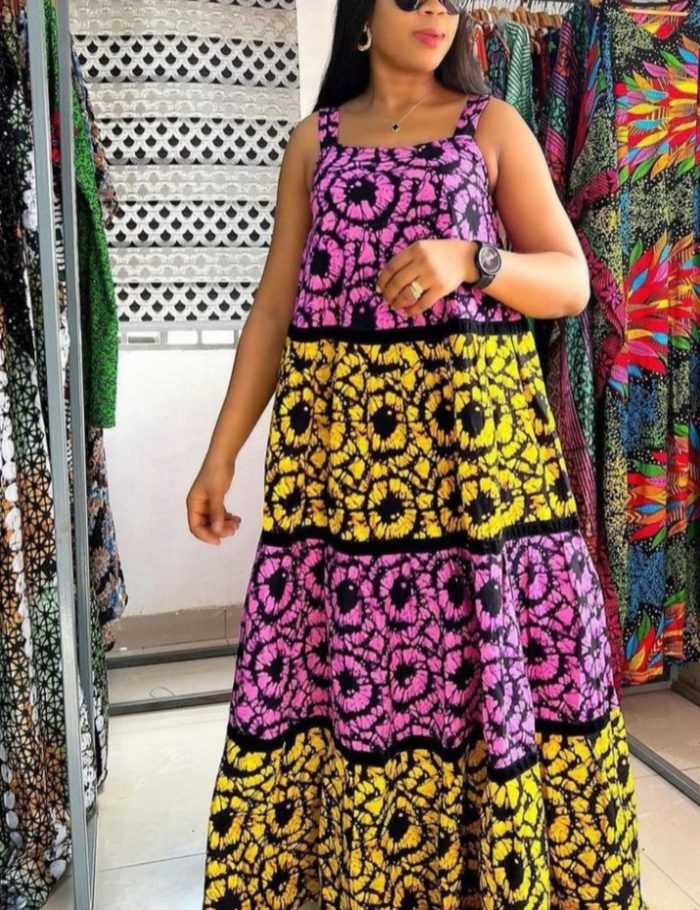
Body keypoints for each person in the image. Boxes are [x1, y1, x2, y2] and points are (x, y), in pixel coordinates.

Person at [188, 1, 649, 906]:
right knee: (359, 684)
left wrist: (473, 259)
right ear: (364, 14)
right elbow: (274, 310)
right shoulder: (313, 145)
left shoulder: (492, 126)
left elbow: (570, 280)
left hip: (480, 482)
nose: (436, 9)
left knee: (479, 682)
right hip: (345, 489)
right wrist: (220, 455)